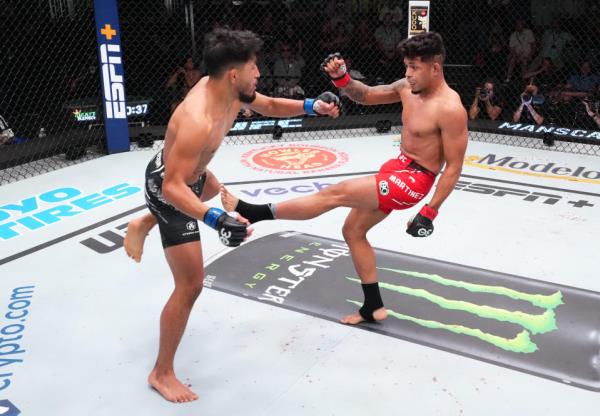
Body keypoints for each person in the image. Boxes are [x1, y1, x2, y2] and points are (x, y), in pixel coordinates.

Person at [123, 29, 341, 403]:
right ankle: (161, 373)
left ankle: (145, 221)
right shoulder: (197, 118)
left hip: (192, 176)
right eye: (254, 66)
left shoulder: (229, 89)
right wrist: (211, 220)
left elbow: (268, 105)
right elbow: (175, 187)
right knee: (190, 285)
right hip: (169, 188)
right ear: (234, 74)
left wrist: (311, 107)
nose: (259, 72)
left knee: (224, 195)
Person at [220, 32, 468, 326]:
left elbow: (453, 167)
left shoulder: (451, 109)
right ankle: (373, 306)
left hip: (414, 180)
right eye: (407, 66)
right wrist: (342, 79)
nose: (408, 74)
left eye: (415, 68)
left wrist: (429, 212)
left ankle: (254, 212)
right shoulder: (406, 88)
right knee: (352, 231)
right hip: (396, 167)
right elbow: (365, 95)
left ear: (435, 68)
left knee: (336, 193)